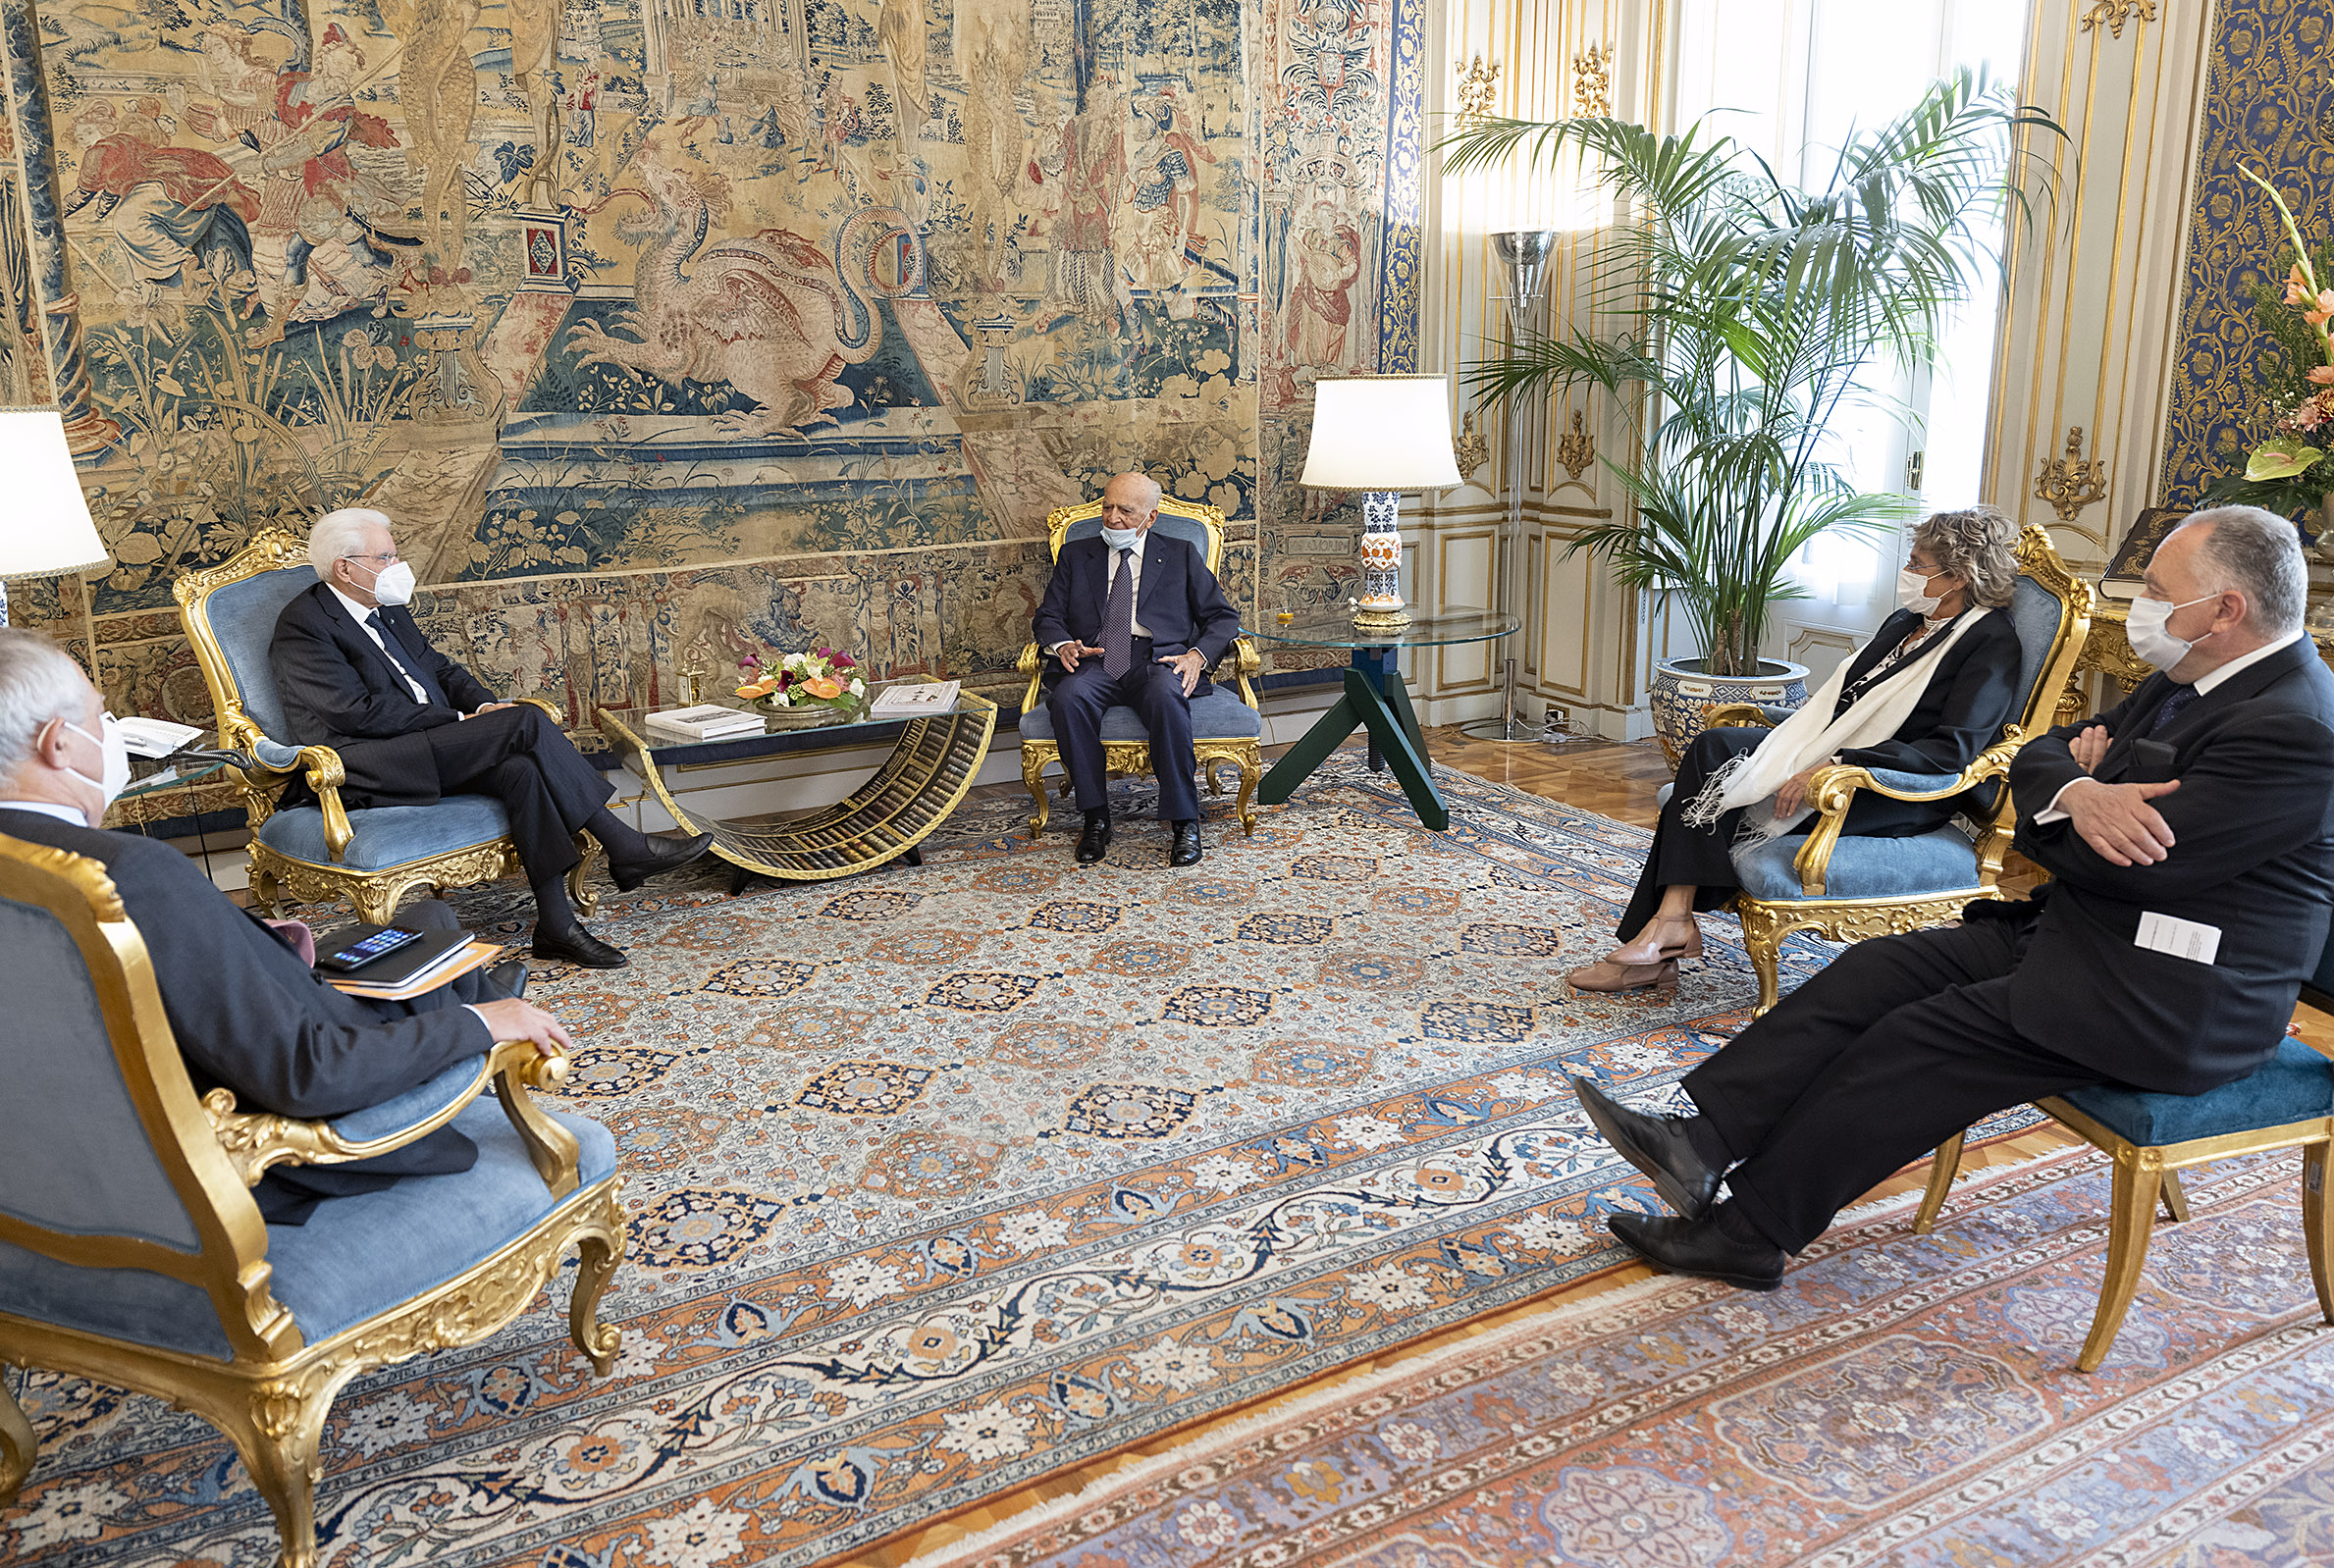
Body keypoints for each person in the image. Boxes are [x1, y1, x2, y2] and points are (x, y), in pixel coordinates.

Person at [1569, 506, 2334, 1290]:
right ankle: (1700, 1143)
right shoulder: (2191, 678)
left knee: (1917, 1041)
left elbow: (2133, 869)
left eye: (2159, 592)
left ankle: (1751, 1232)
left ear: (2225, 609)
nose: (2142, 605)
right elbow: (2040, 754)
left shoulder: (2294, 726)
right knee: (1874, 972)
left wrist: (2062, 806)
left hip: (2172, 996)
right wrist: (2078, 789)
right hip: (2086, 934)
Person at [0, 628, 577, 1225]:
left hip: (75, 1151)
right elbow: (308, 1072)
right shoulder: (134, 873)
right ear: (59, 744)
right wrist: (480, 1025)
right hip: (287, 1142)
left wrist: (249, 945)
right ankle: (476, 998)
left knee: (428, 920)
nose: (110, 736)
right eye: (101, 718)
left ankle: (461, 981)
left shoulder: (36, 867)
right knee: (452, 964)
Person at [1569, 505, 2028, 992]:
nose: (1907, 572)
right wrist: (1808, 746)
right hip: (1831, 750)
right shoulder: (1907, 621)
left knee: (1708, 788)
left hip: (1889, 788)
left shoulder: (1991, 642)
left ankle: (1661, 939)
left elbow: (1951, 749)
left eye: (1918, 563)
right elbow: (1845, 703)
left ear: (1957, 576)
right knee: (1713, 747)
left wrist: (1836, 763)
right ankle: (1672, 920)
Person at [270, 507, 711, 968]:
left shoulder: (387, 610)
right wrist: (460, 719)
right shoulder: (304, 625)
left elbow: (440, 669)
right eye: (386, 558)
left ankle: (557, 925)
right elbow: (355, 713)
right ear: (345, 568)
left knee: (521, 770)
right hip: (365, 763)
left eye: (395, 555)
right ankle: (624, 845)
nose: (397, 567)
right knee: (525, 722)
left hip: (426, 743)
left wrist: (482, 707)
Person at [1033, 471, 1242, 867]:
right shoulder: (1076, 555)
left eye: (1126, 511)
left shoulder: (1180, 554)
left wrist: (1197, 656)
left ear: (1151, 517)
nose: (1113, 518)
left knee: (1167, 695)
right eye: (1107, 507)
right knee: (1068, 698)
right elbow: (1048, 616)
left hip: (1157, 660)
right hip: (1096, 657)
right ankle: (1096, 818)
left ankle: (1185, 822)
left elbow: (1222, 617)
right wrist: (1063, 645)